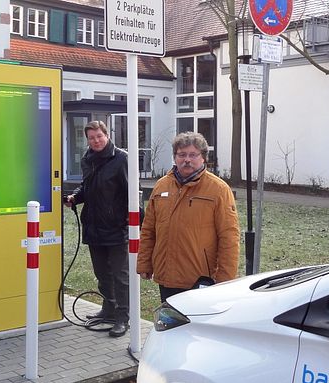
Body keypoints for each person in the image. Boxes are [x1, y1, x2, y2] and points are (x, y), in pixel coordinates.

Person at [137, 132, 240, 302]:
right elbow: (149, 229)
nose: (187, 160)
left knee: (197, 327)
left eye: (193, 155)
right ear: (175, 157)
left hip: (200, 279)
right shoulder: (161, 186)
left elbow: (229, 237)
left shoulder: (218, 190)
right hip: (167, 275)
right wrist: (144, 263)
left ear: (203, 158)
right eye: (182, 155)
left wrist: (225, 279)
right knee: (171, 325)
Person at [66, 121, 130, 337]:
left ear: (107, 135)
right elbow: (87, 186)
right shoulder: (88, 159)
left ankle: (123, 318)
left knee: (120, 276)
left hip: (116, 228)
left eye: (99, 136)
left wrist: (131, 222)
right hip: (93, 226)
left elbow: (132, 191)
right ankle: (108, 310)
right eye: (91, 138)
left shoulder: (121, 158)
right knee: (102, 273)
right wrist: (75, 196)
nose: (96, 141)